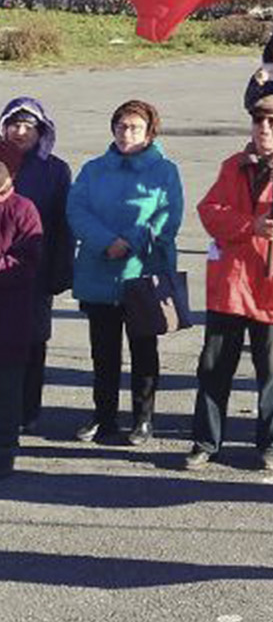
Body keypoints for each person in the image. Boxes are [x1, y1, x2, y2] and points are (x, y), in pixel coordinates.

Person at [187, 91, 273, 473]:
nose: (263, 128)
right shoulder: (234, 164)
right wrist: (250, 225)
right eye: (258, 121)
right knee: (214, 368)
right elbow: (210, 211)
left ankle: (270, 444)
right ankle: (205, 442)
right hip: (232, 286)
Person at [67, 100, 183, 445]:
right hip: (99, 270)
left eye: (134, 127)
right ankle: (103, 417)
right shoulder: (93, 169)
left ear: (149, 133)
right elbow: (77, 209)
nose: (125, 133)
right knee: (103, 353)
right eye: (120, 126)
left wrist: (130, 242)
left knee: (143, 351)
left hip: (143, 272)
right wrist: (105, 242)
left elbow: (167, 216)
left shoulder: (165, 171)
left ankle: (143, 419)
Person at [2, 97, 74, 436]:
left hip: (35, 270)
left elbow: (62, 224)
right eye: (13, 124)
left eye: (27, 126)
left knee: (31, 342)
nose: (19, 132)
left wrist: (61, 271)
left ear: (41, 130)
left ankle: (27, 410)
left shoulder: (54, 170)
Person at [0, 159, 45, 479]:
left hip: (10, 315)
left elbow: (27, 261)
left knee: (7, 388)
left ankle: (5, 449)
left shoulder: (22, 209)